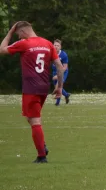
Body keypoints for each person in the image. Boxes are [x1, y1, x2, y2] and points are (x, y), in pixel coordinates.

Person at [0, 21, 63, 163]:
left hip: (30, 89)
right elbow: (59, 66)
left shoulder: (25, 43)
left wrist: (10, 31)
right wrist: (59, 86)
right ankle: (42, 145)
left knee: (35, 121)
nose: (18, 37)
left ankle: (42, 156)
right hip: (43, 88)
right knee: (30, 116)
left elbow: (2, 49)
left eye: (18, 34)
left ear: (22, 32)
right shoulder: (47, 44)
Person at [52, 39, 71, 106]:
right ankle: (66, 95)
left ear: (60, 47)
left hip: (63, 72)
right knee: (57, 87)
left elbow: (65, 67)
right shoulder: (51, 53)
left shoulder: (63, 54)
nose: (56, 47)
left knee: (58, 86)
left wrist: (58, 75)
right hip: (55, 71)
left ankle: (57, 103)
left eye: (58, 45)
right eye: (55, 45)